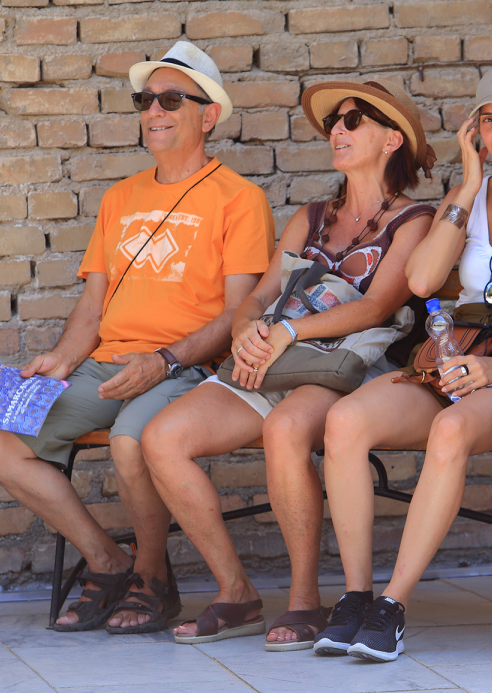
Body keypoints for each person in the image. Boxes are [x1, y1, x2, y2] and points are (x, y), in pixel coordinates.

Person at [0, 41, 274, 634]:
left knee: (130, 441)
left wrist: (164, 360)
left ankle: (154, 578)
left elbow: (239, 312)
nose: (153, 110)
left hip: (187, 368)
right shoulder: (120, 197)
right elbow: (93, 304)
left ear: (208, 115)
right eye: (145, 100)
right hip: (105, 366)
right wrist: (62, 358)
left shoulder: (240, 199)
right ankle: (109, 561)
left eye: (171, 100)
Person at [141, 80, 436, 650]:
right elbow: (259, 294)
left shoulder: (414, 219)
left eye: (354, 121)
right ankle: (236, 593)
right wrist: (248, 328)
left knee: (285, 428)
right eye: (334, 123)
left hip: (343, 366)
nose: (338, 131)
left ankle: (305, 602)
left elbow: (377, 307)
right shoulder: (313, 215)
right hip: (271, 359)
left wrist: (288, 331)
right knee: (162, 438)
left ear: (392, 140)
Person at [317, 61, 492, 662]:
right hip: (450, 353)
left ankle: (392, 607)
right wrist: (469, 186)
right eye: (488, 119)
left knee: (450, 430)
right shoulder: (468, 196)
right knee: (345, 421)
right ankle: (355, 597)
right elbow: (424, 279)